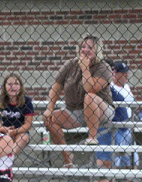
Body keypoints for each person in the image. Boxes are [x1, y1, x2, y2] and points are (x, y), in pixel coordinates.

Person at [43, 35, 115, 167]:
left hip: (101, 110)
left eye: (90, 47)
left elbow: (90, 89)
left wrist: (85, 68)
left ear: (98, 50)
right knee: (50, 119)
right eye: (83, 46)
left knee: (90, 97)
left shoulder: (103, 67)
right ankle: (67, 157)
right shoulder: (71, 64)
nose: (85, 49)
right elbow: (56, 86)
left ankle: (92, 137)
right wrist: (49, 108)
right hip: (75, 110)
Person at [95, 61, 139, 182]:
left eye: (127, 73)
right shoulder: (110, 88)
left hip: (128, 128)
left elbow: (132, 107)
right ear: (114, 73)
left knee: (131, 159)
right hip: (115, 129)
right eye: (123, 73)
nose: (126, 76)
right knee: (112, 160)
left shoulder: (126, 87)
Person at [0, 73, 34, 156]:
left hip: (19, 131)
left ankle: (9, 157)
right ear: (4, 86)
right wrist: (5, 129)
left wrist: (14, 131)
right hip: (2, 130)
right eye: (9, 84)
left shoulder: (27, 101)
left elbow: (28, 124)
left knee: (23, 137)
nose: (13, 86)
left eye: (16, 84)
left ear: (20, 86)